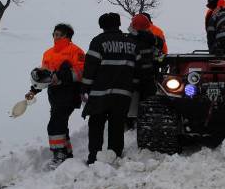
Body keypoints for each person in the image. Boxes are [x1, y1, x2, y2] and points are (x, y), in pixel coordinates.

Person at [81, 13, 140, 165]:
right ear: (119, 24)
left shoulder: (98, 41)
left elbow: (90, 67)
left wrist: (85, 88)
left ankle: (94, 156)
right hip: (123, 94)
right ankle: (115, 155)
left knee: (96, 124)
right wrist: (133, 86)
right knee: (117, 125)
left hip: (100, 93)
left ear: (101, 26)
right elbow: (138, 68)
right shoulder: (132, 42)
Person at [25, 23, 85, 167]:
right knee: (60, 123)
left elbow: (81, 72)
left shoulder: (76, 51)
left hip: (70, 93)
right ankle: (67, 153)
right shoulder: (48, 53)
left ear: (67, 36)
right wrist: (34, 90)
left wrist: (62, 76)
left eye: (59, 34)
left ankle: (60, 155)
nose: (55, 37)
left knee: (55, 124)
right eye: (54, 34)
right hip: (54, 95)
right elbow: (44, 78)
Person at [126, 14, 159, 128]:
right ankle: (147, 121)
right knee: (149, 102)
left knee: (132, 103)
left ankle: (130, 124)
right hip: (149, 77)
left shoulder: (129, 40)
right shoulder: (151, 39)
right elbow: (157, 51)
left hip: (133, 77)